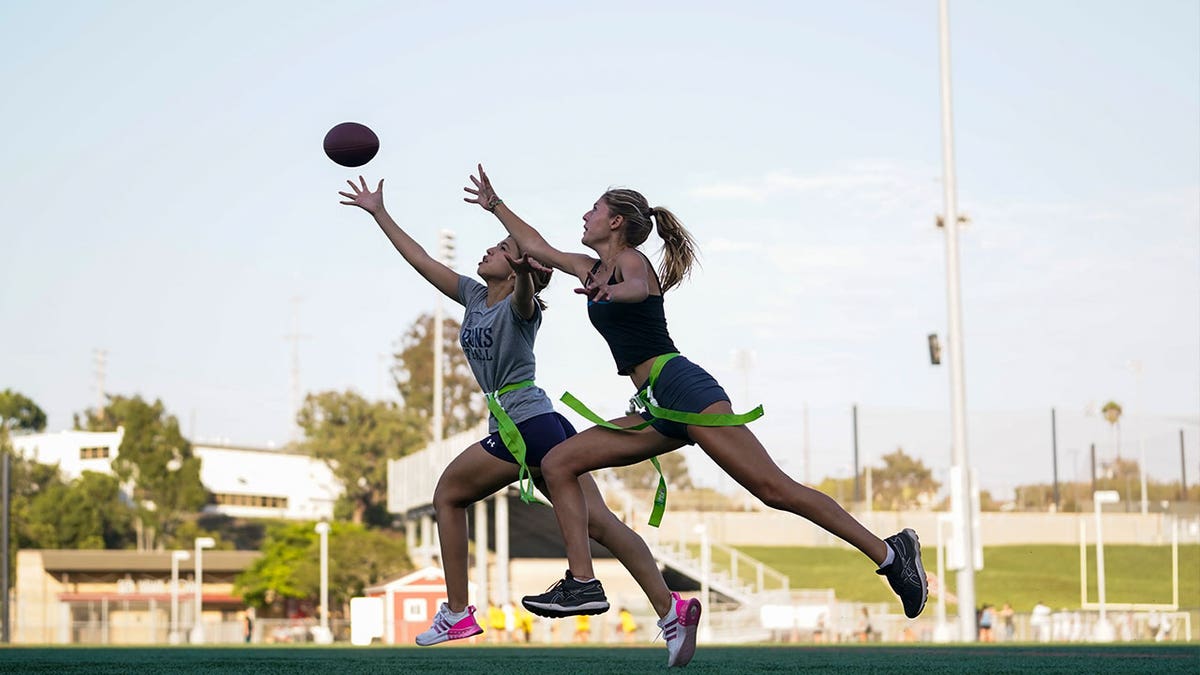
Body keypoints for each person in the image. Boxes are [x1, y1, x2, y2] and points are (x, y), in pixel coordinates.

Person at [463, 165, 929, 627]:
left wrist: (613, 291)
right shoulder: (590, 267)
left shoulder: (629, 262)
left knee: (773, 489)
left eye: (595, 209)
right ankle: (582, 582)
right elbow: (538, 246)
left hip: (683, 387)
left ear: (615, 222)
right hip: (654, 404)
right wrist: (495, 205)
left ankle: (891, 554)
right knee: (560, 462)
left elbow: (641, 288)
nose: (585, 215)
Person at [339, 177, 689, 663]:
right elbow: (420, 260)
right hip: (542, 423)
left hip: (525, 426)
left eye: (501, 249)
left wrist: (525, 272)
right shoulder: (473, 296)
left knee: (447, 496)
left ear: (520, 268)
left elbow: (527, 289)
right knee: (602, 525)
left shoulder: (521, 307)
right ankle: (672, 610)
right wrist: (379, 213)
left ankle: (459, 611)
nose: (489, 251)